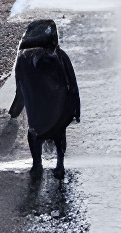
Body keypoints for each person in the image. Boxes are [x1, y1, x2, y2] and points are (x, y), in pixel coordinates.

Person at [9, 19, 81, 176]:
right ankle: (59, 165)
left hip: (36, 111)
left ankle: (37, 165)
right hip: (58, 109)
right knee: (59, 135)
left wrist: (15, 111)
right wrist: (75, 110)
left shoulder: (23, 59)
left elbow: (19, 89)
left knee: (34, 134)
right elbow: (72, 85)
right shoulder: (60, 56)